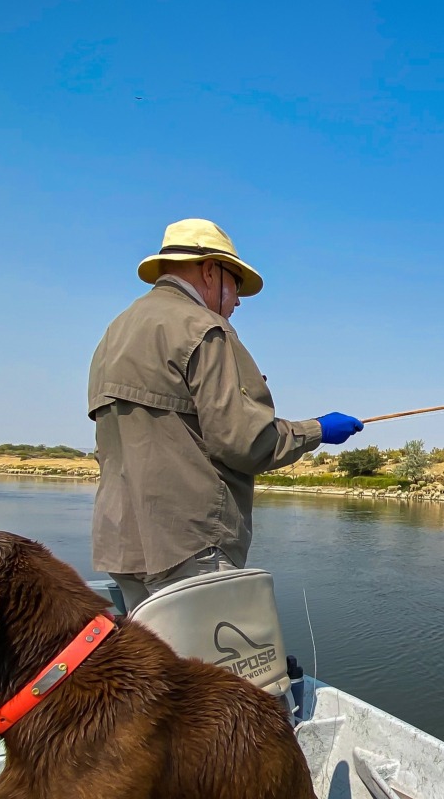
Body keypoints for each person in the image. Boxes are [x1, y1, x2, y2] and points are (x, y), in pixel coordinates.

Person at [88, 218, 363, 610]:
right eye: (235, 285)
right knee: (207, 668)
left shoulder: (113, 334)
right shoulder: (204, 328)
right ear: (210, 270)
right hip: (189, 548)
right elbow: (247, 443)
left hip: (123, 546)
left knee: (160, 671)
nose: (237, 301)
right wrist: (318, 430)